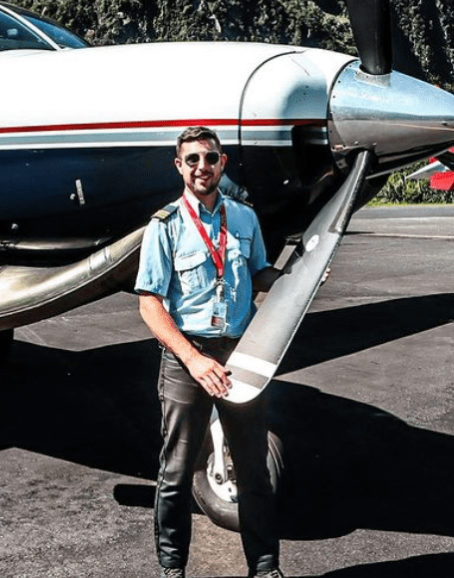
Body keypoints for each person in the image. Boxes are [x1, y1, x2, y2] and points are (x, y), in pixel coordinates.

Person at [136, 125, 285, 578]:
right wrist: (194, 360)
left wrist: (296, 277)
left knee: (254, 469)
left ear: (223, 163)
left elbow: (259, 274)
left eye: (211, 158)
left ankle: (265, 568)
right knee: (177, 472)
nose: (203, 166)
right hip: (188, 358)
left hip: (240, 355)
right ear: (179, 166)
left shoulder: (244, 219)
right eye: (193, 159)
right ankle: (173, 569)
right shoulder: (164, 225)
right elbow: (150, 304)